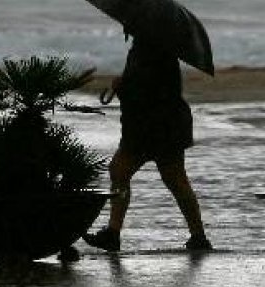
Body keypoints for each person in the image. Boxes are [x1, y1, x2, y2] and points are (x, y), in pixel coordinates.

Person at [83, 35, 212, 252]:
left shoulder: (152, 49)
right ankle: (197, 236)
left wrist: (122, 86)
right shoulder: (151, 47)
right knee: (161, 177)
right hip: (157, 126)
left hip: (154, 127)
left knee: (141, 174)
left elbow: (148, 90)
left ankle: (115, 233)